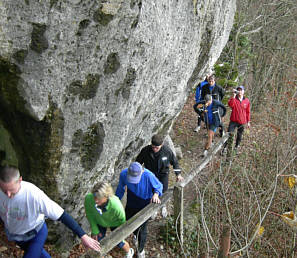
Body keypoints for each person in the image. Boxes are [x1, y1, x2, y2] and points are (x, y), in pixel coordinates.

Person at [0, 165, 100, 258]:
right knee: (40, 254)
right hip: (16, 236)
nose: (8, 195)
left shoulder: (34, 195)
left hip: (36, 234)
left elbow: (62, 215)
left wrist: (83, 236)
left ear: (20, 180)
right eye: (4, 191)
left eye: (11, 190)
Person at [115, 162, 163, 258]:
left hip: (145, 202)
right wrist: (115, 201)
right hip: (132, 199)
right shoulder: (124, 174)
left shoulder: (148, 175)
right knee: (128, 220)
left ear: (142, 172)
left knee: (142, 228)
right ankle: (134, 235)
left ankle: (140, 250)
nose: (133, 181)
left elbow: (159, 186)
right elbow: (120, 189)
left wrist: (156, 194)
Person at [136, 134, 183, 217]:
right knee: (151, 191)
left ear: (161, 145)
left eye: (157, 148)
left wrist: (178, 174)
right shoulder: (145, 151)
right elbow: (138, 162)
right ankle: (153, 208)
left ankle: (163, 206)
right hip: (150, 174)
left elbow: (175, 162)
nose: (154, 149)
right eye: (153, 147)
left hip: (163, 174)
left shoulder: (167, 151)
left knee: (163, 191)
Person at [84, 182, 134, 258]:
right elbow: (89, 214)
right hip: (99, 222)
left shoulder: (115, 204)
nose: (96, 200)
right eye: (94, 196)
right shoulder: (89, 199)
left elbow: (122, 220)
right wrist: (94, 230)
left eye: (99, 198)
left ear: (106, 196)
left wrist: (120, 234)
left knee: (120, 242)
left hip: (115, 223)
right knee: (96, 245)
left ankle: (129, 252)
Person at [223, 85, 251, 154]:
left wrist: (248, 121)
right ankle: (225, 148)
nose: (240, 92)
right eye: (238, 90)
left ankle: (236, 148)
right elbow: (230, 105)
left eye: (241, 90)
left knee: (239, 136)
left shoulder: (246, 101)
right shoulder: (234, 99)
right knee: (229, 134)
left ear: (243, 91)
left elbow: (248, 112)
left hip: (242, 122)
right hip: (233, 121)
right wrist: (233, 96)